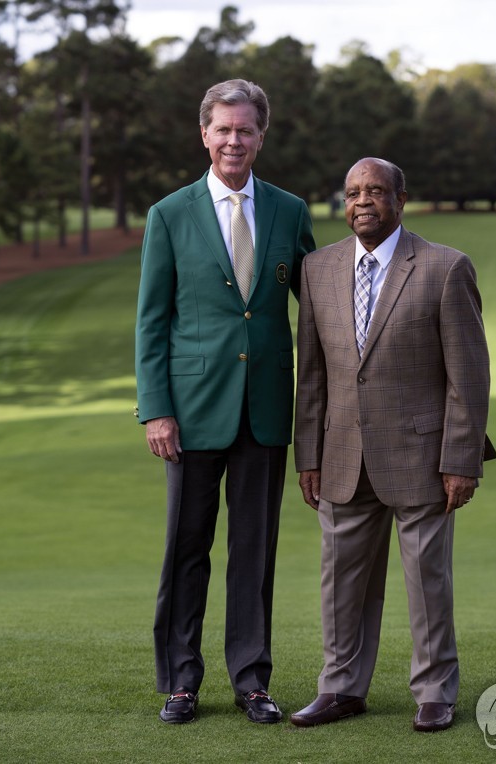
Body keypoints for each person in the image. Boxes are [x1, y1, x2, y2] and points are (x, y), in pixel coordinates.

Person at [134, 79, 315, 725]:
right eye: (223, 129)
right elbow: (151, 322)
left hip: (264, 411)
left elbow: (317, 309)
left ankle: (252, 681)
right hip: (190, 413)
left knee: (254, 552)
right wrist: (155, 409)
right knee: (186, 549)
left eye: (246, 130)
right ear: (204, 134)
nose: (234, 140)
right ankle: (181, 681)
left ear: (261, 136)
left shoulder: (291, 212)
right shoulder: (170, 214)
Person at [290, 157, 491, 733]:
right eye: (353, 193)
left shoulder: (445, 268)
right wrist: (308, 455)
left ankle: (434, 692)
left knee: (428, 582)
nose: (362, 202)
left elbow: (468, 377)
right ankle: (340, 687)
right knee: (339, 584)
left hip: (423, 461)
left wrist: (461, 459)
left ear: (401, 199)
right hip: (341, 458)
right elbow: (314, 375)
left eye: (375, 191)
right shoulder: (317, 269)